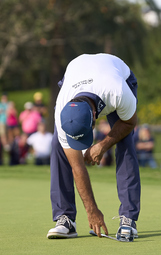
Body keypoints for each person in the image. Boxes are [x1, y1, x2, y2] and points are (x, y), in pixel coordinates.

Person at [47, 53, 140, 242]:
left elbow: (129, 123)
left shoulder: (117, 92)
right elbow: (77, 167)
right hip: (75, 71)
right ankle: (65, 219)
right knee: (57, 144)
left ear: (94, 119)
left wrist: (103, 145)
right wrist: (92, 211)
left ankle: (128, 218)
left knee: (125, 141)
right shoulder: (62, 107)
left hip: (116, 72)